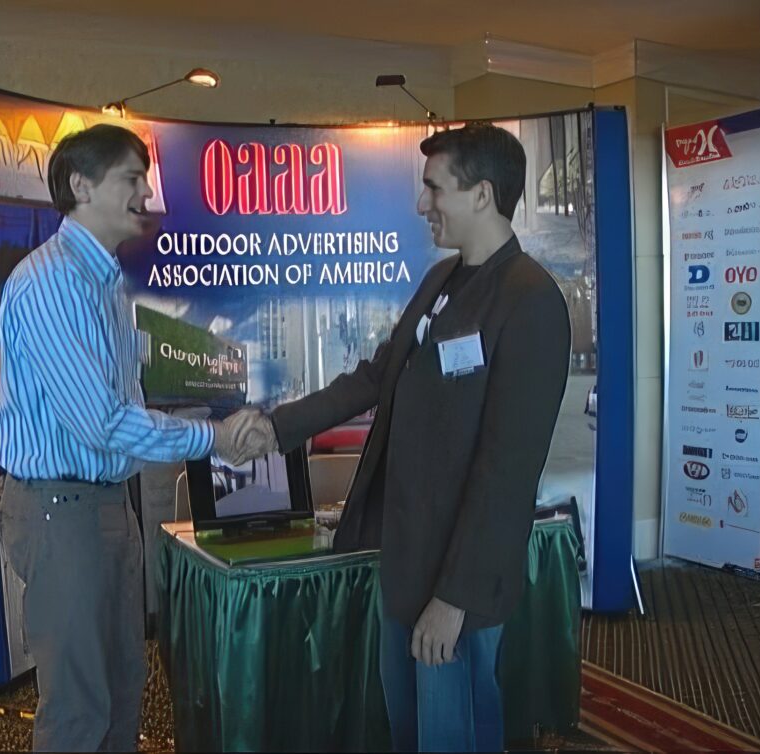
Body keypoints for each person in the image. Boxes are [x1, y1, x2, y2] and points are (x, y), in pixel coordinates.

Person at [236, 124, 571, 752]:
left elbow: (507, 472)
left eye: (433, 188)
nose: (423, 205)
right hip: (406, 564)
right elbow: (375, 376)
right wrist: (275, 428)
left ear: (482, 194)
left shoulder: (529, 301)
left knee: (457, 734)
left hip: (457, 583)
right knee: (412, 734)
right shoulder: (442, 283)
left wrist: (454, 599)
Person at [0, 124, 247, 752]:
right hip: (62, 512)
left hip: (104, 506)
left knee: (123, 684)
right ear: (80, 186)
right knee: (79, 706)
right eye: (132, 178)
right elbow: (100, 422)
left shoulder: (103, 284)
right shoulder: (51, 282)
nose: (147, 192)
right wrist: (214, 437)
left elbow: (110, 414)